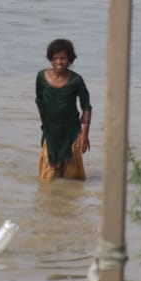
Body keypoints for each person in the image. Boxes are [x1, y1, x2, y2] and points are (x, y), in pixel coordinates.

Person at [36, 38, 92, 181]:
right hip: (51, 132)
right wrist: (45, 125)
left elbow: (86, 107)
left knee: (72, 178)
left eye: (63, 58)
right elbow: (39, 101)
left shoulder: (76, 80)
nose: (59, 62)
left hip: (71, 131)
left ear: (70, 60)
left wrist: (84, 136)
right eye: (55, 58)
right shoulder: (42, 77)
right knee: (48, 179)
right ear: (50, 59)